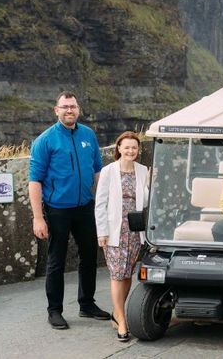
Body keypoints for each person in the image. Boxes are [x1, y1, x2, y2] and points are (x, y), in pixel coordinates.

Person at [29, 91, 109, 330]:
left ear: (78, 109)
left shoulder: (88, 135)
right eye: (64, 107)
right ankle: (54, 310)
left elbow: (98, 172)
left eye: (72, 107)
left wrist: (105, 203)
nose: (69, 111)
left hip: (85, 207)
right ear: (56, 110)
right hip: (57, 210)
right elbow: (34, 181)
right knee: (56, 261)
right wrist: (38, 218)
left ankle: (87, 304)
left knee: (89, 257)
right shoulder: (45, 140)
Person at [94, 131, 149, 342]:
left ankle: (118, 313)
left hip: (135, 230)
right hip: (114, 230)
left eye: (134, 147)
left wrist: (151, 182)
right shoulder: (108, 171)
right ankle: (122, 321)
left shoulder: (143, 170)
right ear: (118, 148)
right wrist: (102, 232)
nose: (130, 151)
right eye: (126, 147)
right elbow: (100, 204)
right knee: (117, 274)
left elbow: (144, 201)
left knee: (127, 274)